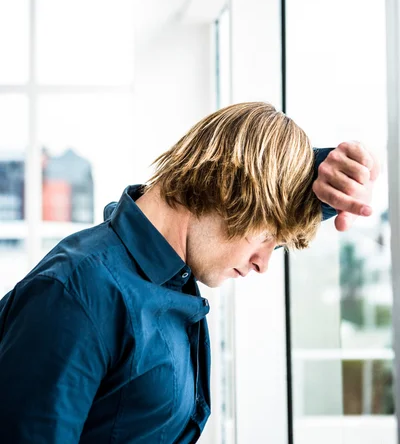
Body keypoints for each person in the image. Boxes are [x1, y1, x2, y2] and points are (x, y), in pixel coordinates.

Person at [0, 102, 378, 443]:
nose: (263, 263)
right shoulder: (74, 296)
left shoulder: (168, 279)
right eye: (264, 237)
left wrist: (334, 171)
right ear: (226, 188)